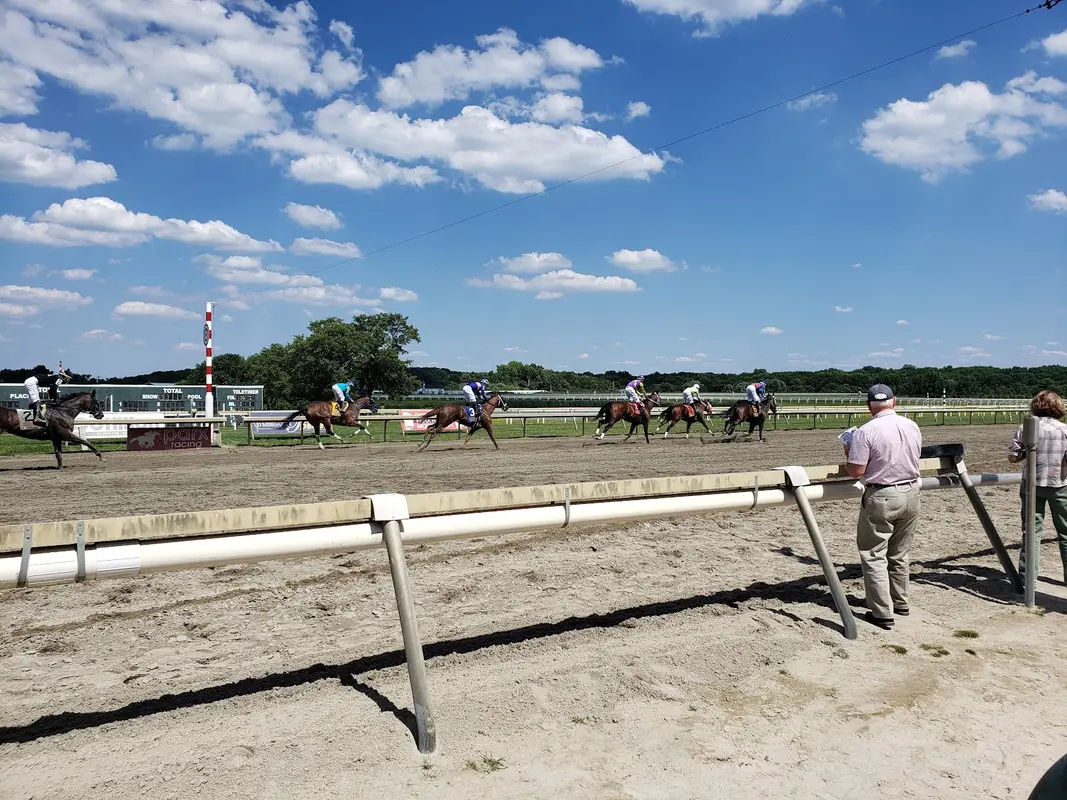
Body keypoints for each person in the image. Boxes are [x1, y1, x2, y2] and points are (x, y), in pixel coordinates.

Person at [843, 383, 923, 630]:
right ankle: (901, 603)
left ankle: (881, 613)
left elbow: (856, 470)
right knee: (899, 553)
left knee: (873, 555)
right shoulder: (911, 425)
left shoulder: (865, 431)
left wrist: (848, 448)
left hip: (882, 496)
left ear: (869, 406)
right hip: (912, 493)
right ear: (894, 401)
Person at [1008, 390, 1067, 585]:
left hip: (1031, 485)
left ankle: (1027, 581)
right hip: (1060, 485)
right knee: (1065, 533)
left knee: (1031, 533)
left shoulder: (1025, 428)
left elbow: (1013, 457)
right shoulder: (1065, 430)